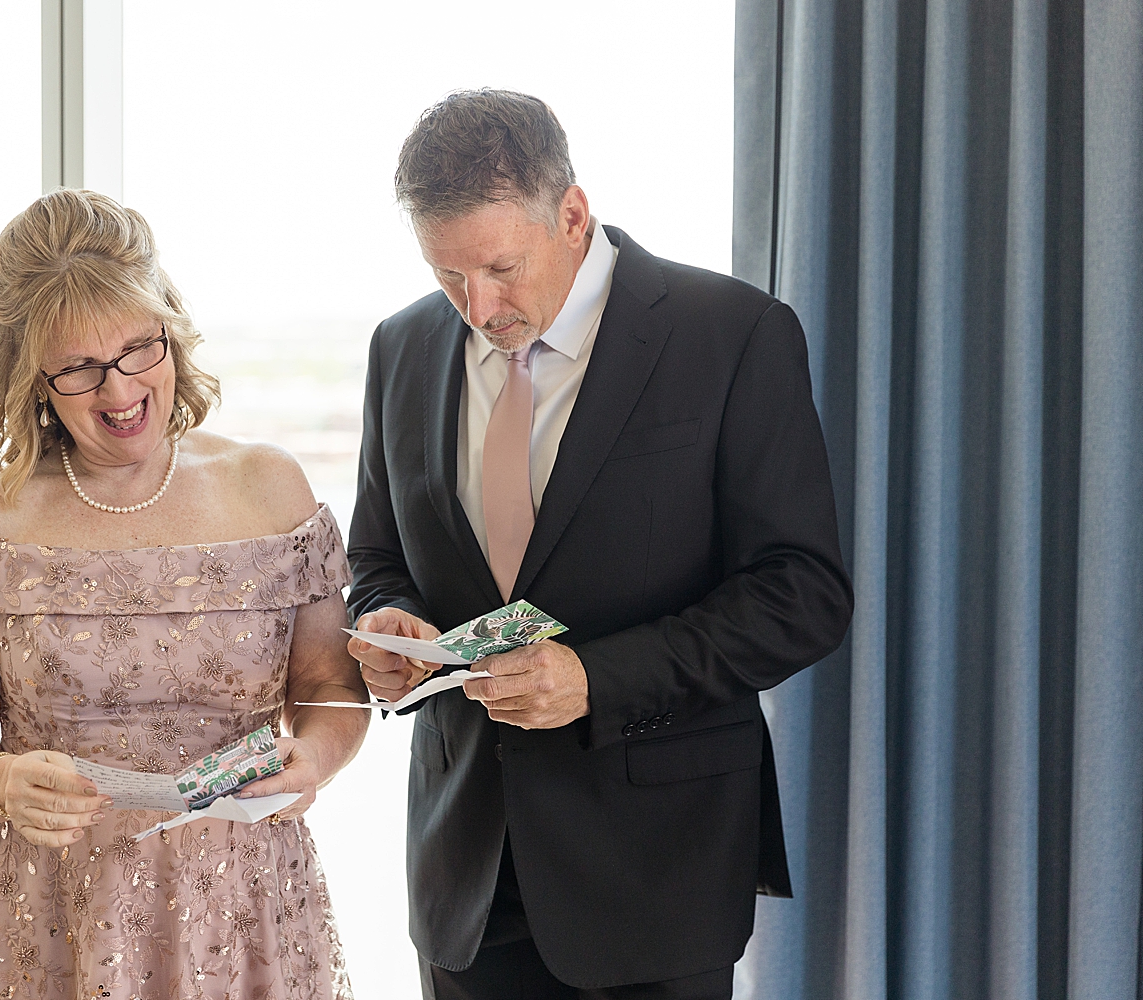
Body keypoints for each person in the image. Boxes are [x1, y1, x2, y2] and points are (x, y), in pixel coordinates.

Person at [346, 90, 854, 999]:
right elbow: (378, 554)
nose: (477, 305)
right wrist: (390, 625)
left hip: (657, 873)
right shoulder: (402, 346)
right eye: (447, 274)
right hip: (466, 872)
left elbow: (801, 594)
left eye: (500, 268)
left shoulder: (733, 334)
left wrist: (594, 680)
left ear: (572, 214)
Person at [0, 189, 365, 1000]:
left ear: (170, 328)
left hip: (243, 910)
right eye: (78, 367)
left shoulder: (272, 488)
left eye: (137, 349)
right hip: (46, 917)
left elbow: (332, 689)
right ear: (31, 378)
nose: (118, 391)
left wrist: (314, 756)